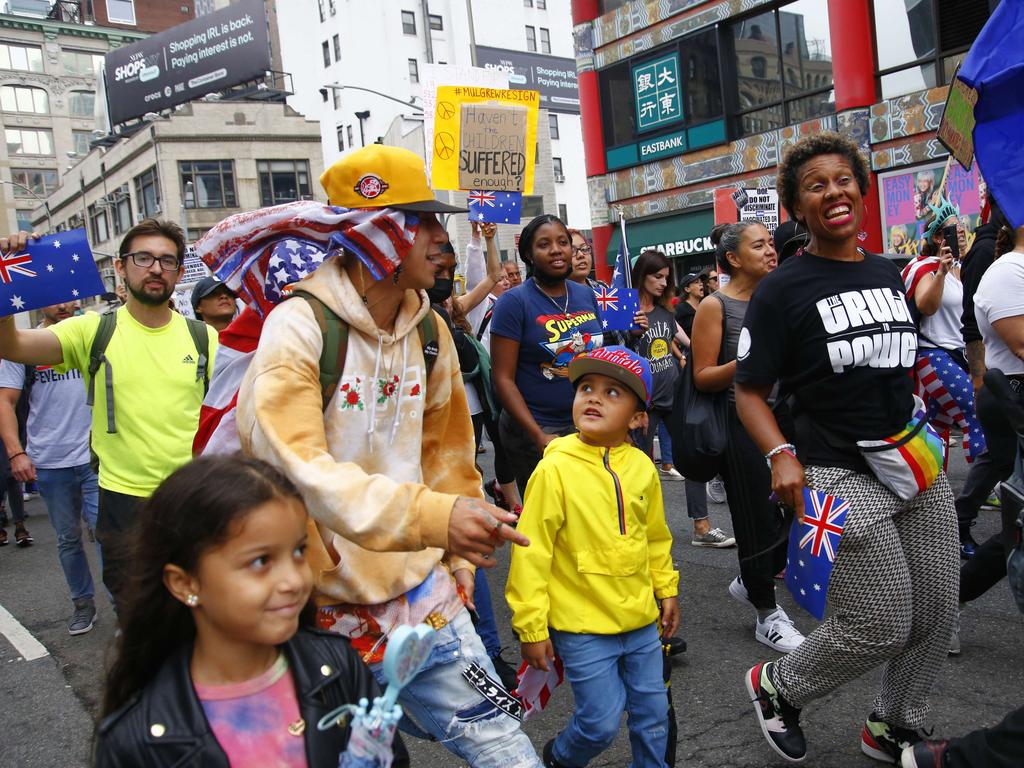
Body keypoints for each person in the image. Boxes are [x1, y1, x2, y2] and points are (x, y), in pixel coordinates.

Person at [236, 144, 541, 766]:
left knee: (504, 744)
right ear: (370, 231)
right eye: (421, 222)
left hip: (426, 599)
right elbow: (297, 471)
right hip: (319, 614)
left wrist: (453, 554)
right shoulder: (297, 327)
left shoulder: (430, 330)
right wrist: (434, 520)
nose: (440, 238)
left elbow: (450, 455)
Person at [734, 132, 959, 764]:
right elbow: (749, 391)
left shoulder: (887, 271)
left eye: (843, 180)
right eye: (815, 185)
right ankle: (779, 685)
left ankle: (893, 723)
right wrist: (781, 455)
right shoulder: (782, 289)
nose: (833, 192)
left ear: (861, 190)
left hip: (912, 461)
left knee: (937, 611)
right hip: (832, 468)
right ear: (797, 208)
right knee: (881, 621)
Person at [95, 455, 407, 767]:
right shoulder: (138, 740)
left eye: (299, 551)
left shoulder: (338, 667)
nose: (294, 580)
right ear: (185, 582)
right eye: (260, 561)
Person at [0, 220, 218, 610]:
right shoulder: (89, 330)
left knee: (198, 612)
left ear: (179, 274)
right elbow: (11, 345)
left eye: (167, 261)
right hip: (122, 501)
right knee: (135, 614)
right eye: (143, 258)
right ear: (120, 267)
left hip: (191, 499)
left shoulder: (204, 337)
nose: (155, 268)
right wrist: (8, 274)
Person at [507, 345, 679, 768]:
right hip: (582, 626)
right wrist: (531, 627)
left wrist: (666, 589)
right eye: (586, 387)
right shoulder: (554, 469)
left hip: (641, 621)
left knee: (654, 719)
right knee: (599, 724)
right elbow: (532, 550)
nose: (594, 397)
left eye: (613, 393)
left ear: (640, 418)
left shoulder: (641, 467)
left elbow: (655, 536)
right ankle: (562, 757)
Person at [691, 222, 802, 650]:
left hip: (787, 418)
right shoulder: (715, 306)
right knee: (756, 519)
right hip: (740, 425)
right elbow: (702, 377)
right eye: (759, 246)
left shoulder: (780, 298)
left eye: (771, 244)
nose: (771, 252)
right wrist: (751, 364)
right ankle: (765, 613)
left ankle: (750, 576)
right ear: (734, 258)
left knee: (801, 510)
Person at [0, 301, 99, 634]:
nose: (66, 304)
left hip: (97, 457)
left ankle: (124, 606)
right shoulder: (27, 346)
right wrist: (16, 453)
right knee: (68, 539)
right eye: (57, 299)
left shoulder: (95, 335)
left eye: (72, 297)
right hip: (52, 462)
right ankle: (82, 604)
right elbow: (6, 401)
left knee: (108, 535)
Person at [491, 214, 607, 495]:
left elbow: (599, 359)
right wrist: (538, 435)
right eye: (544, 244)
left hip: (586, 423)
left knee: (592, 511)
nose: (556, 249)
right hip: (536, 430)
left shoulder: (586, 295)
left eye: (563, 242)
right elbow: (502, 379)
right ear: (529, 255)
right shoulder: (513, 303)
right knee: (550, 521)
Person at [902, 198, 987, 558]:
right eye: (956, 228)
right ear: (940, 237)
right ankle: (984, 489)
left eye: (965, 228)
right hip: (931, 355)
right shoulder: (923, 266)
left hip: (956, 357)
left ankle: (928, 512)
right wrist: (939, 270)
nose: (963, 233)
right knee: (976, 414)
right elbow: (926, 307)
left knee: (932, 435)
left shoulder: (961, 270)